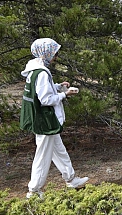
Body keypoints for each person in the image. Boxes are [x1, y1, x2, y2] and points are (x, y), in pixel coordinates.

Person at [20, 38, 88, 199]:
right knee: (43, 155)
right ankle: (34, 190)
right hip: (45, 119)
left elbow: (41, 90)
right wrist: (65, 94)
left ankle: (71, 179)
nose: (56, 56)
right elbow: (45, 100)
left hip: (42, 118)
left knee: (59, 150)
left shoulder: (35, 70)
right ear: (46, 53)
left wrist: (57, 86)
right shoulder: (42, 73)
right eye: (54, 53)